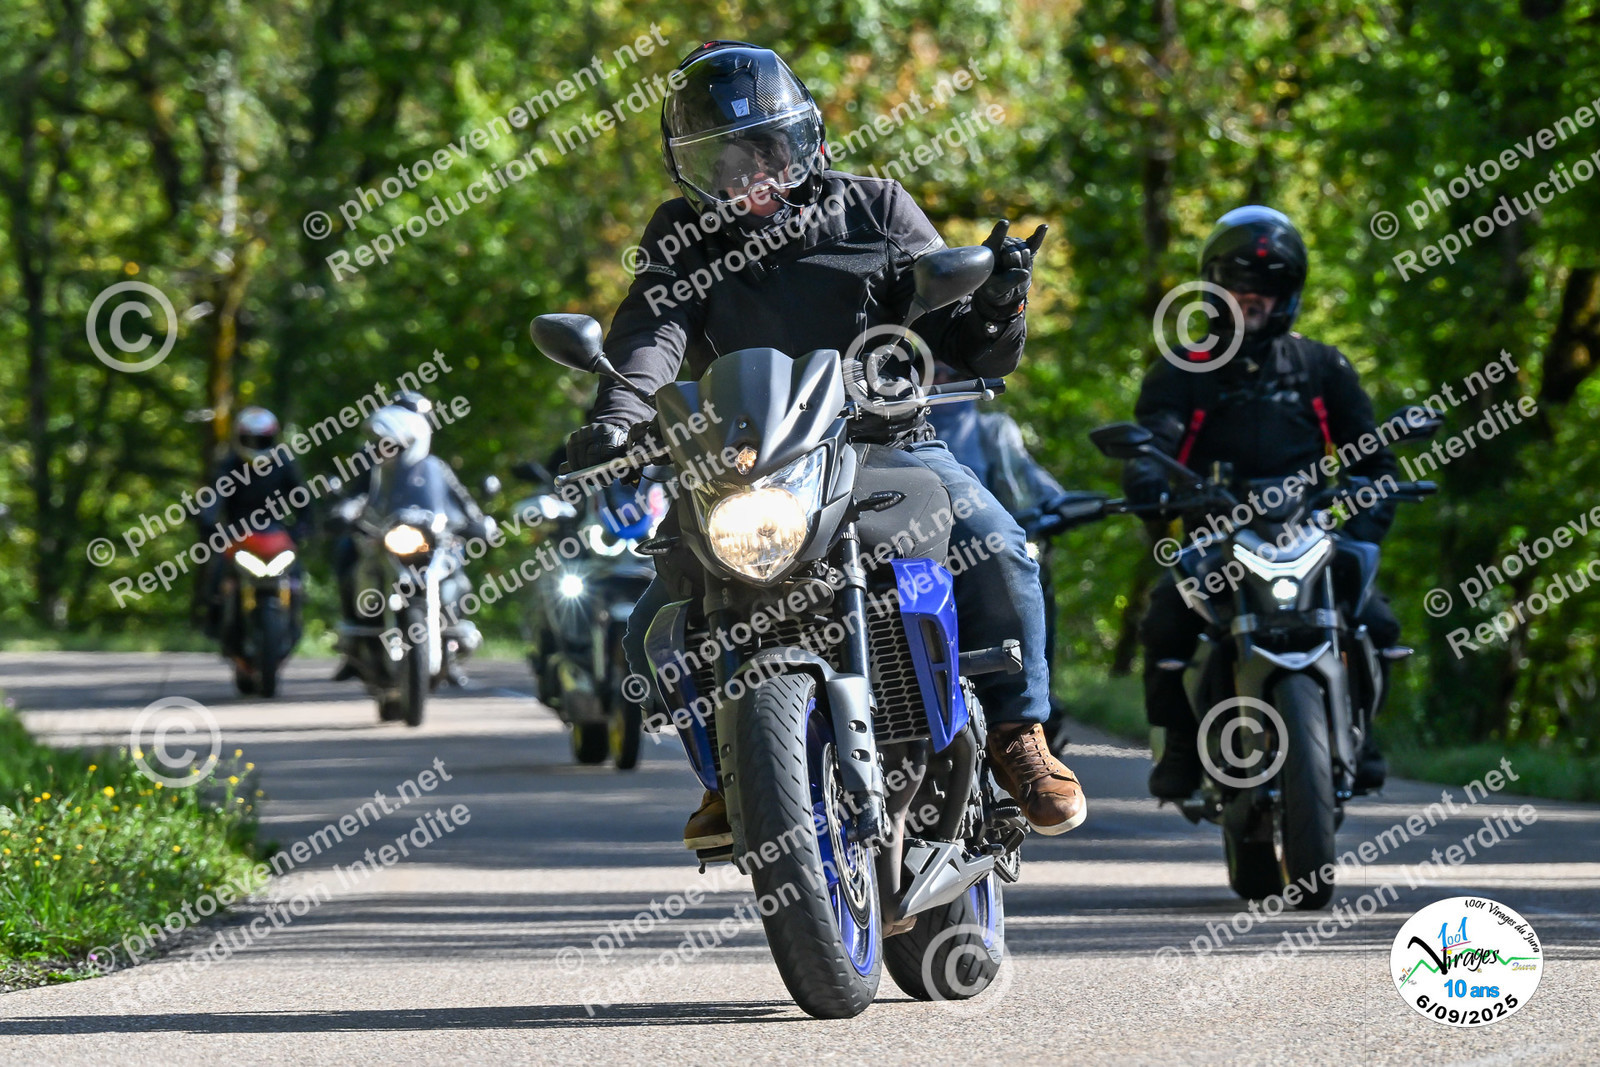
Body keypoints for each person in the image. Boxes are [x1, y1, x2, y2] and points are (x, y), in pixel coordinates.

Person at [566, 41, 1086, 847]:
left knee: (999, 542)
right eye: (722, 161)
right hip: (743, 461)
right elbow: (650, 333)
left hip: (885, 441)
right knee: (648, 627)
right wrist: (617, 417)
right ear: (693, 170)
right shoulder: (682, 234)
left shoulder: (876, 207)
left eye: (762, 150)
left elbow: (968, 343)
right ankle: (735, 770)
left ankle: (1021, 735)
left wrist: (999, 304)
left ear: (802, 142)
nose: (747, 176)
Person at [1125, 205, 1401, 800]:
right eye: (1237, 283)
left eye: (1267, 286)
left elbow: (1373, 460)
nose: (1251, 297)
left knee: (1377, 620)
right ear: (1213, 287)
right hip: (1215, 535)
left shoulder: (1324, 367)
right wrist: (1148, 478)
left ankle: (1361, 732)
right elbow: (1154, 441)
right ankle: (1181, 743)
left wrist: (1365, 520)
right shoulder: (1183, 368)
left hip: (1311, 532)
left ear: (1289, 293)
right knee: (1166, 619)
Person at [927, 377, 1075, 745]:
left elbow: (1027, 477)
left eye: (949, 371)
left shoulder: (991, 429)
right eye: (937, 372)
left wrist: (1060, 503)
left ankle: (1017, 731)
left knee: (1003, 546)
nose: (943, 379)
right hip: (831, 448)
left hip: (909, 443)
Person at [331, 394, 489, 685]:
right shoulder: (373, 465)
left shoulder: (435, 467)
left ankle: (451, 641)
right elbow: (358, 495)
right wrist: (346, 511)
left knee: (457, 563)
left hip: (430, 538)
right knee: (345, 551)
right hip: (383, 536)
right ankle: (353, 638)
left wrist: (478, 522)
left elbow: (462, 501)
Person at [196, 406, 310, 636]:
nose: (256, 445)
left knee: (296, 575)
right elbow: (214, 498)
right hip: (237, 535)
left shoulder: (283, 464)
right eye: (250, 439)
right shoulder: (229, 465)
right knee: (217, 573)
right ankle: (214, 619)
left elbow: (303, 500)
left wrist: (303, 527)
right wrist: (207, 520)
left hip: (275, 536)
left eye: (262, 440)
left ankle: (295, 619)